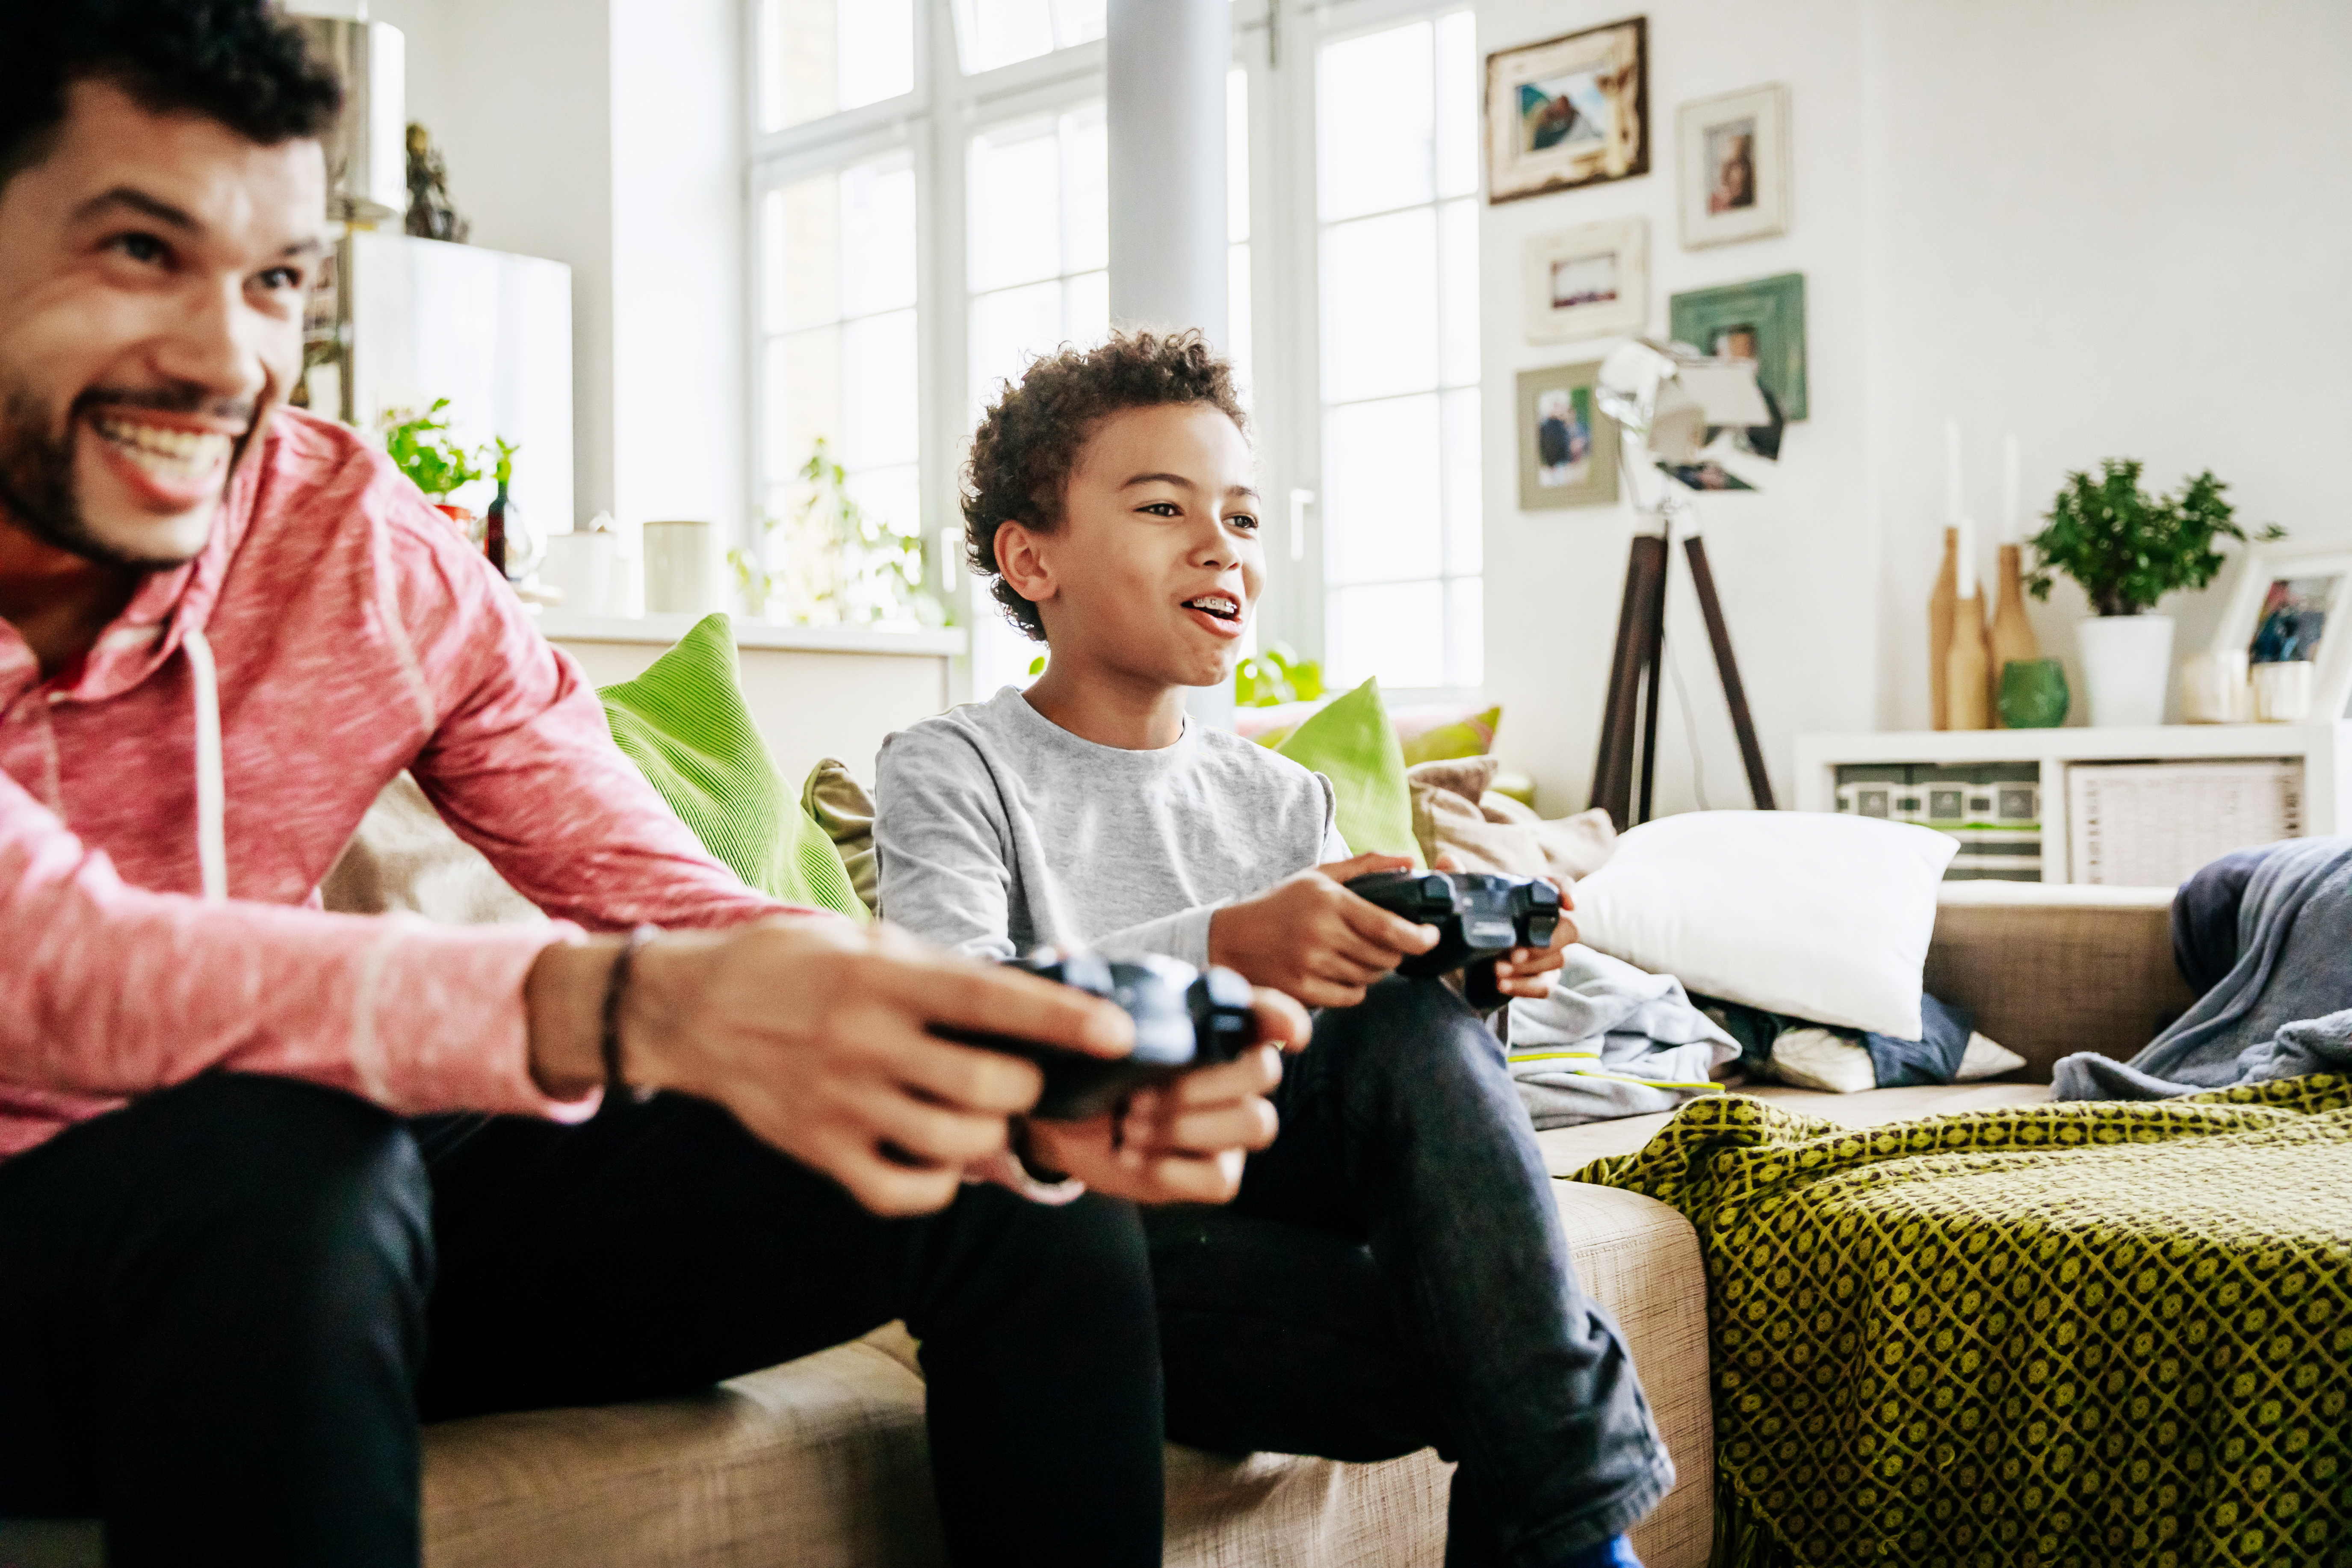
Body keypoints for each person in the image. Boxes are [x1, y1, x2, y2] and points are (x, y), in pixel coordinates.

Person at [0, 7, 1307, 1563]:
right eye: (140, 251)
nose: (231, 361)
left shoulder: (355, 551)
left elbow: (655, 884)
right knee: (288, 1154)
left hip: (308, 1252)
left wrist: (971, 1038)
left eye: (277, 279)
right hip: (119, 1242)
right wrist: (632, 1007)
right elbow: (52, 964)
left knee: (984, 1145)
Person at [875, 331, 1675, 1568]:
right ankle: (1578, 1547)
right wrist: (1230, 946)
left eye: (1243, 518)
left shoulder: (1283, 798)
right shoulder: (953, 765)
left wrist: (1470, 984)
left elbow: (1398, 1095)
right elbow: (949, 1006)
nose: (1221, 548)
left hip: (1289, 1202)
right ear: (1031, 558)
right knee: (1503, 1337)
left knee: (1432, 1089)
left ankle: (1566, 1542)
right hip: (1099, 1232)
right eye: (1162, 507)